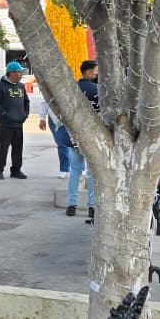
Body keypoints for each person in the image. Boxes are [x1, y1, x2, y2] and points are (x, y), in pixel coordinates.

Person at [66, 61, 100, 218]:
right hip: (92, 137)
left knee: (75, 171)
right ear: (88, 73)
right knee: (92, 173)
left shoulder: (71, 89)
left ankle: (71, 205)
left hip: (73, 136)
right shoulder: (97, 90)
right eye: (95, 71)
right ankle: (92, 206)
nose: (97, 74)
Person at [0, 61, 30, 179]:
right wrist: (4, 114)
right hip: (5, 124)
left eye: (20, 72)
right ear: (11, 73)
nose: (20, 75)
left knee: (18, 149)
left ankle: (16, 170)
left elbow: (26, 102)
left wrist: (25, 114)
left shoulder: (21, 86)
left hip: (18, 123)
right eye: (18, 72)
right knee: (2, 148)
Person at [38, 89, 71, 179]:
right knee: (62, 145)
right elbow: (44, 102)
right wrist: (42, 118)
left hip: (71, 118)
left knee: (75, 145)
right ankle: (64, 169)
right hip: (55, 120)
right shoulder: (50, 87)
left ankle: (80, 168)